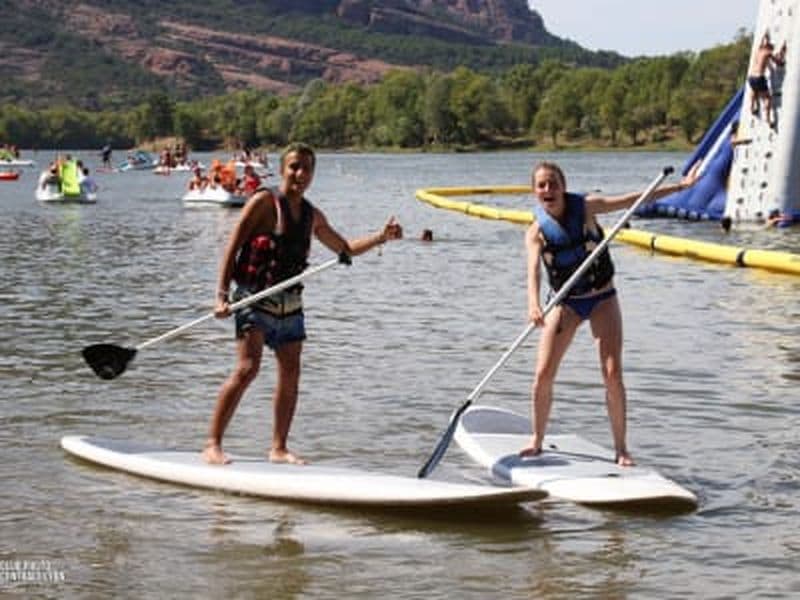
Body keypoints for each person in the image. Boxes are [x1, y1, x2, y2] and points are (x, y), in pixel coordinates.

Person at [203, 142, 403, 465]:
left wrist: (381, 237)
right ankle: (212, 444)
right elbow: (233, 245)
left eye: (307, 169)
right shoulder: (264, 203)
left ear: (312, 174)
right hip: (254, 298)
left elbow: (345, 248)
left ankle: (278, 448)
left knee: (291, 374)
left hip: (290, 306)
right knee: (248, 369)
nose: (300, 174)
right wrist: (221, 296)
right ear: (283, 169)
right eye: (294, 167)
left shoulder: (312, 215)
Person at [520, 161, 696, 466]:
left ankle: (621, 448)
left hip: (602, 298)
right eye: (542, 185)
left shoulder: (587, 207)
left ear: (563, 186)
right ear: (535, 192)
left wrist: (680, 187)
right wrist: (533, 304)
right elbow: (533, 270)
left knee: (612, 374)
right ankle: (536, 439)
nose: (548, 190)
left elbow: (632, 199)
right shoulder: (535, 232)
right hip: (566, 303)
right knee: (543, 374)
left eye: (553, 183)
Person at [748, 32, 787, 129]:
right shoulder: (768, 53)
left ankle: (752, 108)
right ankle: (768, 119)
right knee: (767, 98)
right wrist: (782, 58)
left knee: (754, 91)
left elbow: (763, 42)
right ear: (770, 48)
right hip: (759, 77)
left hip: (751, 77)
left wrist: (765, 35)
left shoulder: (759, 50)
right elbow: (778, 62)